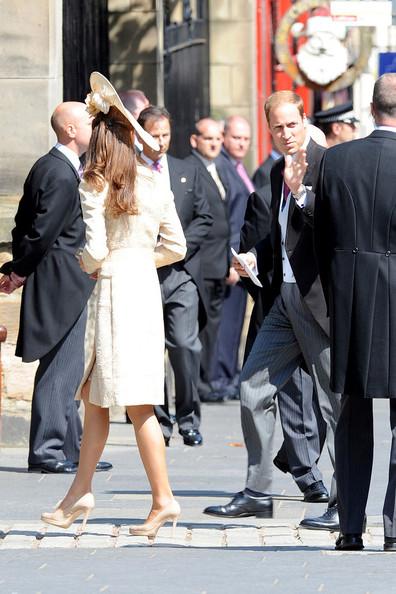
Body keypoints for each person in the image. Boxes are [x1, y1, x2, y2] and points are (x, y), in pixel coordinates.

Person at [40, 72, 186, 540]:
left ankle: (163, 499)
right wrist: (142, 258)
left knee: (135, 401)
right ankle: (79, 493)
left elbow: (96, 251)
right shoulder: (153, 180)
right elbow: (177, 246)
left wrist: (89, 263)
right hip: (143, 284)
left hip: (114, 288)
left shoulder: (96, 183)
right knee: (97, 396)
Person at [203, 90, 341, 524]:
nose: (286, 134)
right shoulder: (277, 170)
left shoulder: (329, 165)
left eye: (292, 124)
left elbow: (334, 229)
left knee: (334, 403)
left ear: (304, 120)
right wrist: (251, 260)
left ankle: (343, 501)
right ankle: (258, 492)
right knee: (253, 388)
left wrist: (302, 195)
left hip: (318, 300)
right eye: (277, 127)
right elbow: (279, 236)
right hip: (282, 299)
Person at [0, 102, 112, 474]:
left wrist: (18, 266)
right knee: (61, 365)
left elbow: (22, 224)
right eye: (88, 123)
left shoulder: (54, 167)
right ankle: (47, 450)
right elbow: (41, 232)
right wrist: (18, 270)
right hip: (61, 280)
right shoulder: (61, 173)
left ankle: (72, 447)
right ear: (68, 129)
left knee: (69, 364)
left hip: (64, 278)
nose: (94, 129)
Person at [314, 73, 396, 552]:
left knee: (351, 414)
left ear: (370, 108)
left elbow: (320, 238)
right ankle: (394, 527)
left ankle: (349, 527)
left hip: (350, 297)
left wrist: (337, 285)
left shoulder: (337, 160)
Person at [138, 105, 213, 447]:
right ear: (140, 135)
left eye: (166, 135)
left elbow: (204, 218)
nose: (161, 142)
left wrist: (179, 247)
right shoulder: (131, 172)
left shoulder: (187, 171)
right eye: (154, 136)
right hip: (143, 273)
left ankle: (189, 419)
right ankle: (159, 421)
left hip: (181, 272)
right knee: (151, 351)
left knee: (184, 345)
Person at [184, 118, 231, 404]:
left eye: (218, 138)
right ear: (195, 140)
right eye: (208, 139)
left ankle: (207, 379)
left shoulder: (218, 168)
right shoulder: (192, 169)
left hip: (219, 261)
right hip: (203, 262)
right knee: (201, 326)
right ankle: (200, 383)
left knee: (213, 326)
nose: (215, 143)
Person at [208, 115, 253, 401]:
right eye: (236, 137)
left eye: (246, 139)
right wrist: (231, 260)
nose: (242, 144)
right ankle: (220, 378)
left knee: (235, 322)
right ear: (225, 137)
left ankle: (229, 374)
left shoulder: (237, 168)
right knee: (225, 323)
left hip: (241, 260)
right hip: (231, 260)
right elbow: (225, 221)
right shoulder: (223, 167)